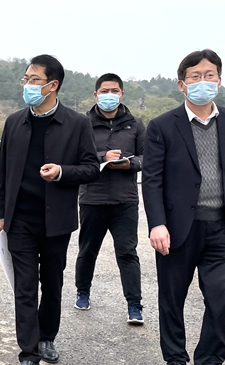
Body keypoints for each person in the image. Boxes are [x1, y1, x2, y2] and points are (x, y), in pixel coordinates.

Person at [142, 49, 225, 365]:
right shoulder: (162, 126)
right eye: (195, 76)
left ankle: (210, 363)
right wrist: (157, 223)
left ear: (220, 80)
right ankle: (175, 359)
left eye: (210, 75)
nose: (204, 81)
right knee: (172, 296)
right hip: (177, 228)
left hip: (222, 225)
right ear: (182, 84)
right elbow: (152, 179)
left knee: (223, 295)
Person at [0, 54, 100, 365]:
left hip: (57, 220)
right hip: (20, 220)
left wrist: (61, 172)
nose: (27, 85)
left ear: (53, 85)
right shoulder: (15, 122)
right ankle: (28, 355)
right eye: (25, 79)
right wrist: (1, 214)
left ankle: (47, 337)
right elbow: (3, 172)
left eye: (34, 80)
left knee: (52, 282)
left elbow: (91, 168)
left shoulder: (77, 123)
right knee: (24, 287)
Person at [73, 73, 145, 324]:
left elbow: (148, 157)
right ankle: (83, 291)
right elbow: (75, 156)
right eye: (104, 91)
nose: (109, 96)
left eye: (114, 91)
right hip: (92, 198)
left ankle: (134, 305)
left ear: (122, 94)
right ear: (95, 95)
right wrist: (102, 156)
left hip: (125, 200)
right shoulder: (83, 124)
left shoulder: (135, 124)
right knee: (87, 250)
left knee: (127, 253)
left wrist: (130, 164)